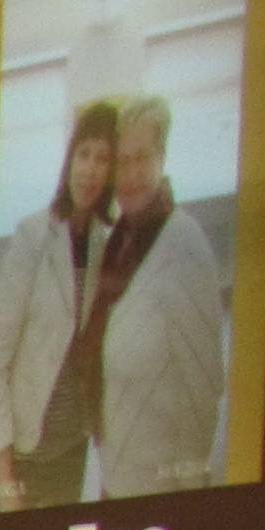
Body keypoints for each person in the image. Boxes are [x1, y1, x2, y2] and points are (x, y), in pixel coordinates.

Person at [0, 100, 123, 511]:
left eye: (103, 159)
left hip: (71, 450)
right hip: (23, 455)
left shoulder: (107, 245)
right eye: (84, 154)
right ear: (69, 159)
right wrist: (4, 473)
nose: (90, 169)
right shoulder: (32, 236)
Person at [89, 98, 229, 500]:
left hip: (162, 488)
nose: (131, 175)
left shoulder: (184, 245)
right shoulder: (118, 244)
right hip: (116, 475)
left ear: (162, 158)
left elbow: (202, 388)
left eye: (142, 159)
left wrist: (187, 496)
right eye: (122, 162)